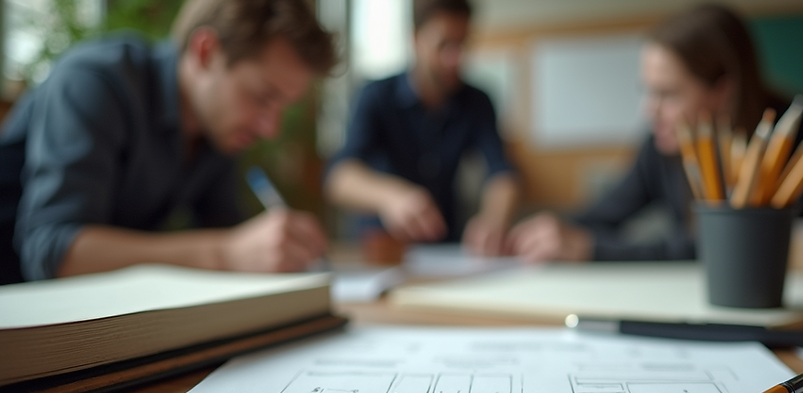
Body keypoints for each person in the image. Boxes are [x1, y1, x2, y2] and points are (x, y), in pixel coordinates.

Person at [0, 0, 335, 285]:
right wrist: (226, 253)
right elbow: (53, 253)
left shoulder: (218, 129)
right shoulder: (94, 82)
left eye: (283, 108)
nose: (271, 129)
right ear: (206, 52)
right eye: (263, 98)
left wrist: (273, 250)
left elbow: (227, 234)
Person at [507, 4, 803, 262]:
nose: (649, 110)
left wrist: (596, 250)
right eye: (647, 92)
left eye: (668, 94)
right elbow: (602, 215)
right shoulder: (661, 142)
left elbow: (735, 250)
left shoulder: (801, 144)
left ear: (722, 91)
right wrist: (544, 230)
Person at [324, 0, 520, 256]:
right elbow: (339, 178)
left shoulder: (477, 101)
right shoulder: (375, 96)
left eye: (462, 45)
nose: (455, 59)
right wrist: (392, 197)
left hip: (444, 249)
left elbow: (502, 172)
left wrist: (493, 219)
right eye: (444, 45)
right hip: (380, 250)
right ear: (416, 39)